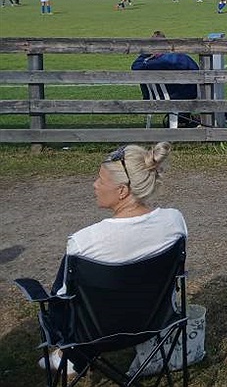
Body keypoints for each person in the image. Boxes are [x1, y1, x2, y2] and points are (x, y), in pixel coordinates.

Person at [37, 141, 187, 377]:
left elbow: (61, 297)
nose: (95, 185)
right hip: (155, 321)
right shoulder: (174, 222)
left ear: (122, 191)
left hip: (95, 335)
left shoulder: (85, 241)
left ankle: (73, 356)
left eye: (101, 179)